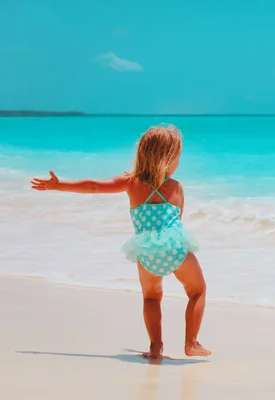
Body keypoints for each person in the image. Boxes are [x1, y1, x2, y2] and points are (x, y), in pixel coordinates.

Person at [30, 124, 211, 359]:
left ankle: (156, 347)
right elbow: (178, 219)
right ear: (168, 159)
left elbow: (94, 187)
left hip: (146, 250)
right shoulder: (176, 187)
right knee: (197, 291)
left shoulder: (131, 183)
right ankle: (191, 343)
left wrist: (59, 185)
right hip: (174, 247)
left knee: (151, 297)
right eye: (177, 157)